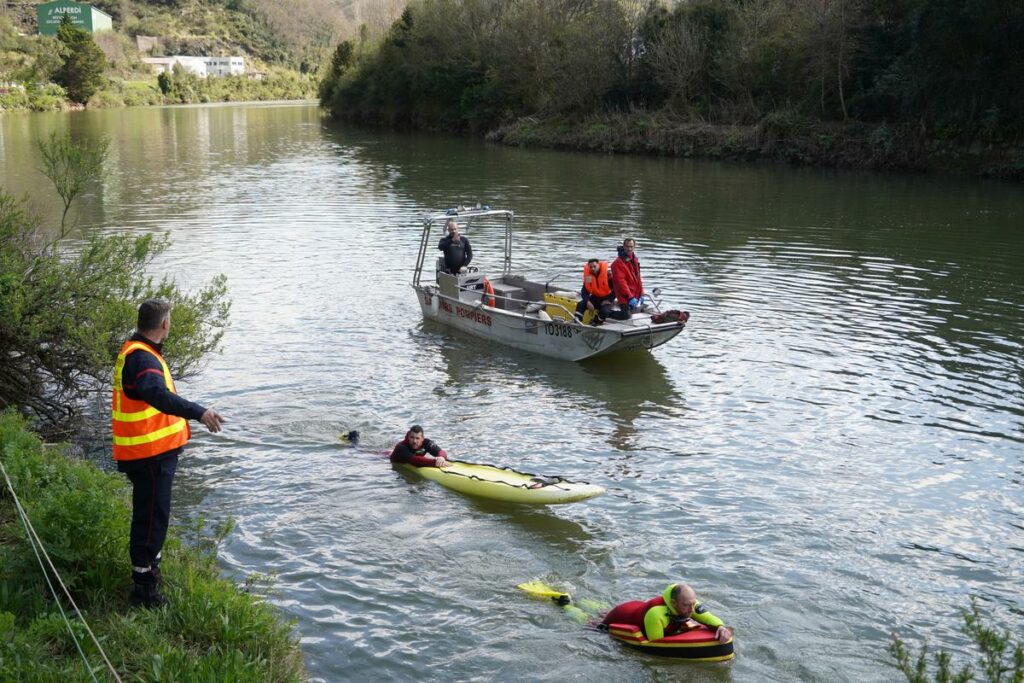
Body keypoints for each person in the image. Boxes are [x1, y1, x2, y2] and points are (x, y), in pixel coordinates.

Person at [112, 299, 224, 608]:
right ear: (165, 325)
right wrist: (199, 412)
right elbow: (156, 394)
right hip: (149, 454)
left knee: (153, 516)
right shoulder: (143, 359)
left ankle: (151, 571)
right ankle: (144, 590)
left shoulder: (137, 350)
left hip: (148, 451)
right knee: (150, 519)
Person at [600, 583, 733, 644]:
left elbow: (708, 618)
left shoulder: (689, 602)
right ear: (674, 603)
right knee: (593, 624)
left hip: (638, 606)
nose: (692, 610)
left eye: (694, 604)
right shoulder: (656, 615)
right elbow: (656, 646)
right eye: (687, 605)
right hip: (621, 614)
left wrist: (721, 627)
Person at [611, 237, 646, 316]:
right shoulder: (618, 263)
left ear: (634, 247)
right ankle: (607, 314)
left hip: (634, 293)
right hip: (624, 295)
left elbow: (638, 278)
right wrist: (630, 297)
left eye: (631, 246)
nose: (629, 249)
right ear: (623, 247)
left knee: (639, 310)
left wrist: (642, 293)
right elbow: (621, 283)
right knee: (626, 315)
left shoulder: (634, 259)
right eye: (627, 246)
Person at [575, 259, 616, 325]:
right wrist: (588, 301)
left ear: (598, 265)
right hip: (594, 298)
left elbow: (617, 289)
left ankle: (596, 322)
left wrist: (609, 299)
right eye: (591, 267)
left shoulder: (608, 276)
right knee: (580, 304)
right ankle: (577, 321)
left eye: (594, 266)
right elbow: (584, 291)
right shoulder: (589, 277)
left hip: (606, 299)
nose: (593, 269)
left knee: (604, 311)